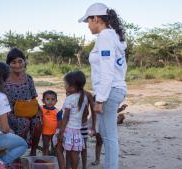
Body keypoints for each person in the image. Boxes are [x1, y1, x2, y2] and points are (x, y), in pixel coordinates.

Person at [78, 3, 128, 169]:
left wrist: (99, 99)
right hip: (115, 88)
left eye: (88, 21)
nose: (88, 25)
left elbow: (107, 71)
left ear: (97, 19)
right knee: (105, 133)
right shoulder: (114, 36)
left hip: (110, 90)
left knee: (110, 136)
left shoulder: (105, 37)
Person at [4, 48, 42, 156]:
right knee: (24, 123)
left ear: (24, 62)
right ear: (8, 64)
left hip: (28, 110)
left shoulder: (28, 78)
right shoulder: (4, 80)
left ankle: (33, 152)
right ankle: (16, 152)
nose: (17, 65)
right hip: (10, 113)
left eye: (20, 61)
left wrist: (39, 111)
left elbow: (34, 97)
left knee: (38, 122)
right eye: (13, 62)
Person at [56, 71, 88, 169]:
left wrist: (61, 131)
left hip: (68, 129)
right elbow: (85, 114)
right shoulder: (84, 97)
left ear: (72, 87)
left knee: (58, 150)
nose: (64, 85)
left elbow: (66, 117)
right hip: (77, 130)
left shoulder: (70, 99)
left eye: (65, 84)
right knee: (74, 154)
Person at [41, 90, 62, 155]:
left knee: (54, 146)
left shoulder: (57, 111)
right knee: (45, 146)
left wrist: (58, 131)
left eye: (53, 99)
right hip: (44, 132)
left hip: (54, 133)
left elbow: (59, 121)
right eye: (47, 99)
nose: (50, 101)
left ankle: (53, 158)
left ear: (56, 101)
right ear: (43, 101)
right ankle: (45, 158)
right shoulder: (41, 108)